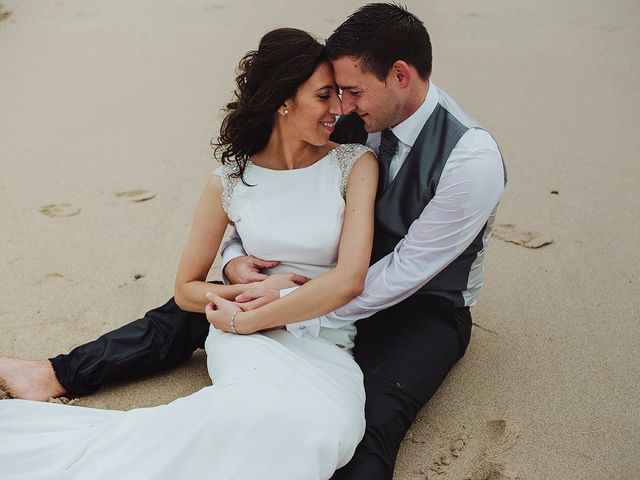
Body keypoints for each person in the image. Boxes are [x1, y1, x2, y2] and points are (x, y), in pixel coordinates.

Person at [0, 4, 506, 479]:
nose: (342, 108)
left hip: (419, 306)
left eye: (351, 92)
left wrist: (278, 305)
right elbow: (268, 199)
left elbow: (398, 276)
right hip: (321, 278)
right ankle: (52, 374)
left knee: (374, 418)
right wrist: (240, 260)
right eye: (335, 93)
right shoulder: (350, 116)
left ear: (399, 75)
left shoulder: (470, 160)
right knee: (186, 311)